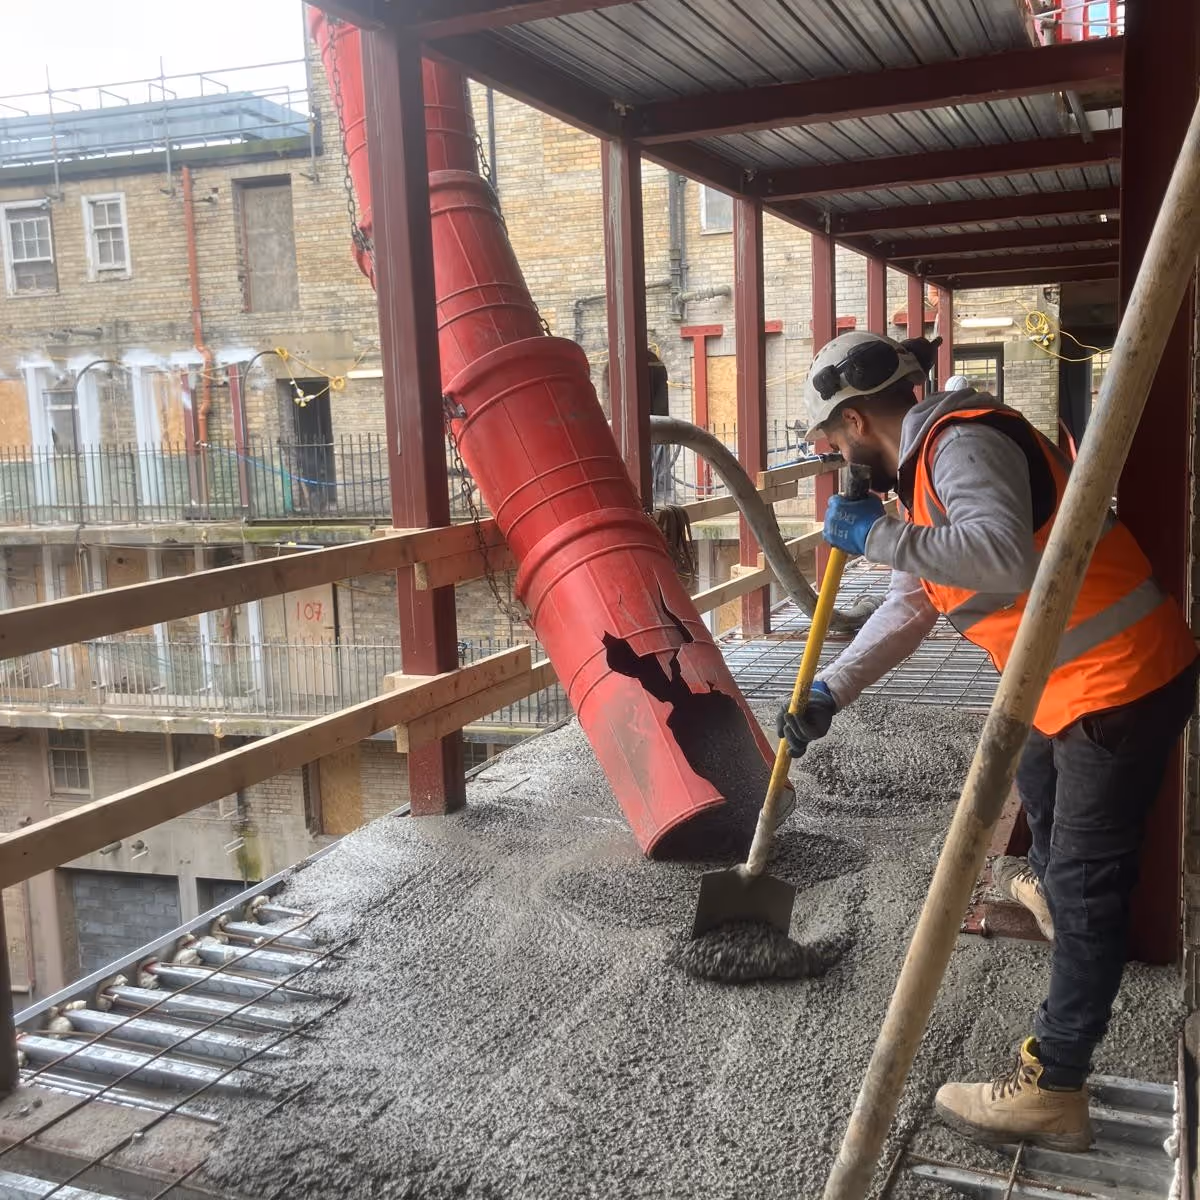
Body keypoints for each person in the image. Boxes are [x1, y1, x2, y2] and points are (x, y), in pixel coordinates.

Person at [779, 330, 1197, 1151]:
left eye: (829, 444)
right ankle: (1046, 883)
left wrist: (874, 535)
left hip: (1116, 684)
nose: (831, 459)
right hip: (1071, 684)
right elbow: (913, 603)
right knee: (1038, 784)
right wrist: (834, 689)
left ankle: (1054, 1085)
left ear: (856, 421)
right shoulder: (929, 470)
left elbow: (999, 556)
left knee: (1088, 885)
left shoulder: (960, 444)